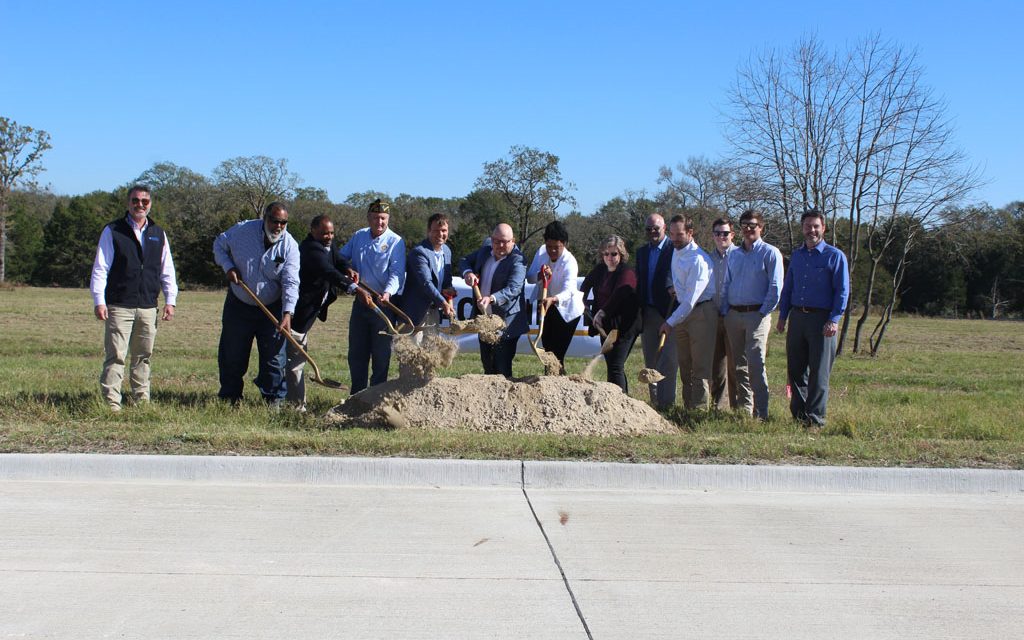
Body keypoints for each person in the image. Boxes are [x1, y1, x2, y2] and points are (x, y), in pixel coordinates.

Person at [90, 184, 178, 412]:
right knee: (116, 356)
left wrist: (170, 299)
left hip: (148, 305)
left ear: (150, 204)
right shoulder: (113, 231)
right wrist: (99, 300)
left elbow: (167, 269)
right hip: (119, 304)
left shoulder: (158, 233)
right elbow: (101, 267)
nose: (140, 205)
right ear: (128, 203)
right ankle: (111, 403)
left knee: (143, 356)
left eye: (144, 201)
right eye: (135, 201)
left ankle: (142, 400)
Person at [212, 202, 299, 405]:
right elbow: (219, 245)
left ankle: (274, 402)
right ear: (264, 218)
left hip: (273, 307)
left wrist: (288, 313)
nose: (278, 226)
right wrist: (228, 267)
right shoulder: (242, 230)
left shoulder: (290, 246)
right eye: (274, 221)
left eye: (283, 223)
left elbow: (291, 281)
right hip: (239, 305)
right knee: (233, 354)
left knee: (275, 359)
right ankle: (230, 398)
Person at [776, 208, 849, 427]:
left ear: (823, 228)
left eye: (816, 226)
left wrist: (834, 319)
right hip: (798, 317)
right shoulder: (797, 256)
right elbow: (788, 288)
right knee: (796, 369)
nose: (812, 230)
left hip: (822, 320)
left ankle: (815, 419)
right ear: (802, 228)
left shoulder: (835, 256)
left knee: (819, 372)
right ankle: (799, 416)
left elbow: (842, 291)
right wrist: (783, 316)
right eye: (808, 226)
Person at [286, 215, 358, 411]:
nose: (329, 236)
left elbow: (338, 260)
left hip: (312, 311)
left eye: (332, 232)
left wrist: (348, 268)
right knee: (295, 359)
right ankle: (295, 406)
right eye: (324, 232)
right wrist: (353, 287)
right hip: (298, 312)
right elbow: (328, 271)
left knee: (296, 355)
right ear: (313, 231)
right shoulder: (310, 249)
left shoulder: (327, 245)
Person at [720, 210, 784, 420]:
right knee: (738, 365)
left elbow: (775, 287)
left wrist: (762, 312)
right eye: (745, 225)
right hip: (734, 315)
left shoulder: (770, 253)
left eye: (753, 225)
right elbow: (727, 283)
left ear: (761, 227)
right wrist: (725, 310)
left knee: (756, 364)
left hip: (757, 315)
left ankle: (761, 412)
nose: (748, 229)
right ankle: (744, 410)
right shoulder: (734, 254)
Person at [339, 199, 406, 394]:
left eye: (383, 218)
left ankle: (375, 396)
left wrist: (387, 293)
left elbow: (397, 273)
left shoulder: (396, 241)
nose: (380, 222)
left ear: (388, 219)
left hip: (382, 306)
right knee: (357, 353)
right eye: (376, 218)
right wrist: (348, 269)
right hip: (360, 302)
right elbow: (341, 258)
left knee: (381, 355)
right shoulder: (358, 236)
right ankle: (357, 395)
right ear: (369, 218)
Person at [659, 215, 717, 411]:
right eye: (672, 233)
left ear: (690, 233)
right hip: (683, 312)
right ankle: (687, 408)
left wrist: (669, 322)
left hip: (701, 312)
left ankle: (699, 412)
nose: (674, 238)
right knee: (685, 364)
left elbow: (692, 300)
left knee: (699, 367)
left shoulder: (699, 260)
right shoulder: (677, 251)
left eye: (679, 234)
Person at [458, 223, 528, 377]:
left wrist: (492, 298)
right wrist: (468, 272)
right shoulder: (484, 252)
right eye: (497, 241)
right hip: (485, 321)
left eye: (505, 242)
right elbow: (464, 260)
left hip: (506, 324)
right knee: (488, 365)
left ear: (513, 241)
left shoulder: (518, 260)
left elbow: (514, 288)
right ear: (491, 240)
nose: (500, 245)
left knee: (502, 369)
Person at [580, 235, 641, 392]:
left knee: (616, 365)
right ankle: (616, 400)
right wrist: (583, 302)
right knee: (612, 365)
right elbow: (585, 286)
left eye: (614, 254)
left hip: (624, 325)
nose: (609, 258)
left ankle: (621, 402)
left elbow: (619, 294)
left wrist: (603, 312)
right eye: (606, 254)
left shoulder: (627, 273)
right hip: (606, 325)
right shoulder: (600, 270)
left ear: (621, 254)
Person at [526, 221, 584, 373]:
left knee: (556, 354)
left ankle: (559, 386)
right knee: (547, 350)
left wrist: (553, 299)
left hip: (567, 311)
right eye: (549, 246)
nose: (552, 251)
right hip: (547, 305)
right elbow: (530, 278)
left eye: (556, 247)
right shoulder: (541, 252)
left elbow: (569, 290)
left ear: (564, 244)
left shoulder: (570, 262)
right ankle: (550, 380)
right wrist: (540, 274)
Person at [635, 213, 677, 409]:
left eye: (656, 229)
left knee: (668, 359)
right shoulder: (642, 252)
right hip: (649, 312)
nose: (652, 232)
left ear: (664, 228)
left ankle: (667, 403)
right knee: (651, 358)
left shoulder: (674, 249)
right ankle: (655, 403)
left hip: (669, 312)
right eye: (649, 229)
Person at [402, 213, 455, 337]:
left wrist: (449, 293)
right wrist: (444, 303)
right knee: (413, 354)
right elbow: (426, 283)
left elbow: (447, 279)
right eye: (436, 230)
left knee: (432, 352)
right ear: (428, 231)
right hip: (415, 312)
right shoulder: (419, 252)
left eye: (444, 230)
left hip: (434, 311)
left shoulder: (446, 251)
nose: (440, 234)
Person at [709, 217, 737, 411]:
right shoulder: (707, 258)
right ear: (713, 236)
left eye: (725, 233)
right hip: (713, 317)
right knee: (716, 367)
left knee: (736, 366)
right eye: (718, 233)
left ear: (732, 235)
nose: (721, 237)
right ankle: (719, 407)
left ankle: (739, 408)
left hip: (734, 316)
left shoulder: (740, 255)